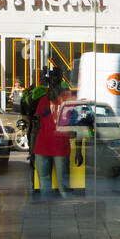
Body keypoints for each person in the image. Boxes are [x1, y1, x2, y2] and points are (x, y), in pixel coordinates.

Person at [31, 69, 75, 198]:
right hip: (42, 146)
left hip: (59, 145)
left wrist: (77, 151)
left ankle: (65, 210)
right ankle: (46, 209)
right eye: (50, 80)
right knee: (45, 184)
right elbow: (36, 125)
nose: (52, 83)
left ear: (60, 81)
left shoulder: (68, 99)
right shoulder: (43, 100)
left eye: (55, 80)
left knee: (63, 185)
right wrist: (33, 149)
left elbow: (76, 124)